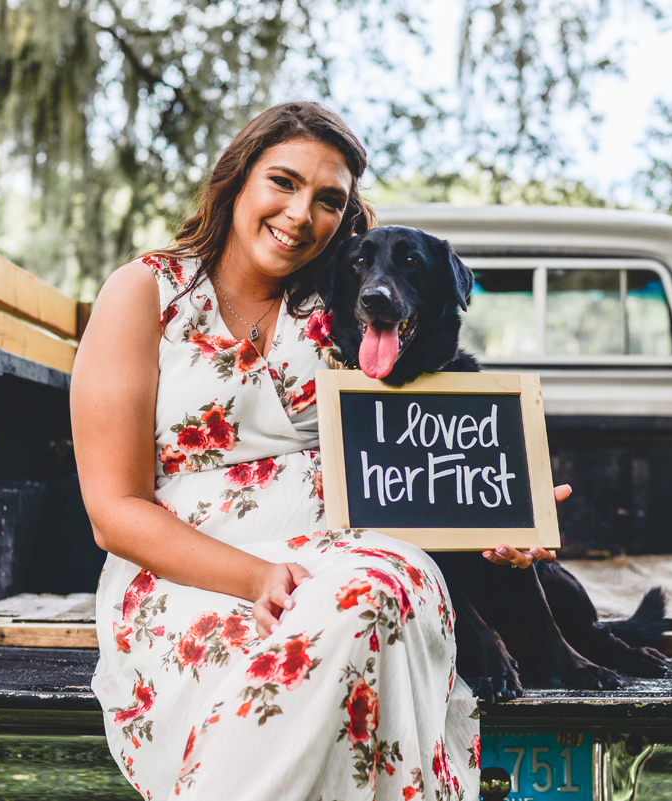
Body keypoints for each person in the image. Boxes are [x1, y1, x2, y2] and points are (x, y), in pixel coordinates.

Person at [71, 101, 556, 801]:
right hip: (194, 570)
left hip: (351, 551)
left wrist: (504, 511)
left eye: (329, 199)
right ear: (237, 179)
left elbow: (425, 448)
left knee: (377, 593)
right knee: (327, 627)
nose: (302, 213)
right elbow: (113, 511)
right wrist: (254, 577)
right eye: (283, 182)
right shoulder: (147, 293)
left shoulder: (349, 301)